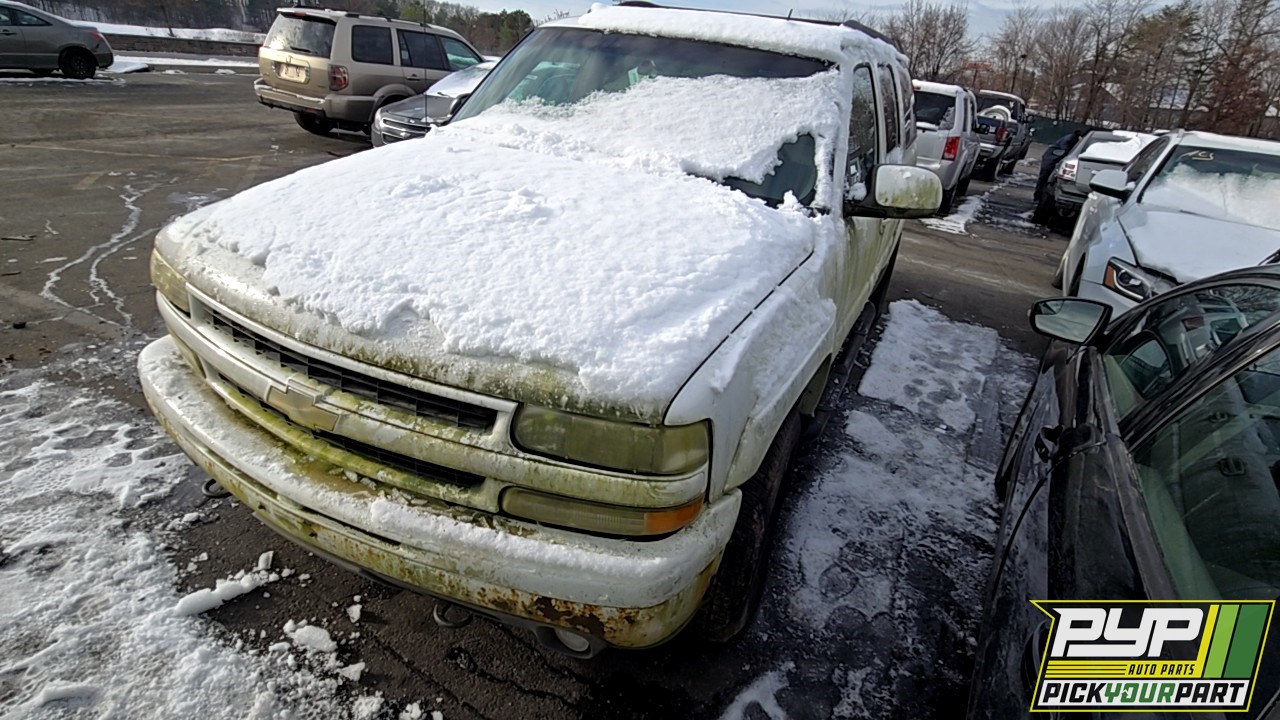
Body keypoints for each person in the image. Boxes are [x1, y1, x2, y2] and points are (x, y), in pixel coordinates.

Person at [1035, 129, 1087, 202]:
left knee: (1045, 177)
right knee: (1044, 177)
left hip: (1052, 157)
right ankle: (1038, 195)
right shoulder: (1070, 139)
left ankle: (1039, 195)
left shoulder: (1072, 138)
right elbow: (1065, 150)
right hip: (1051, 158)